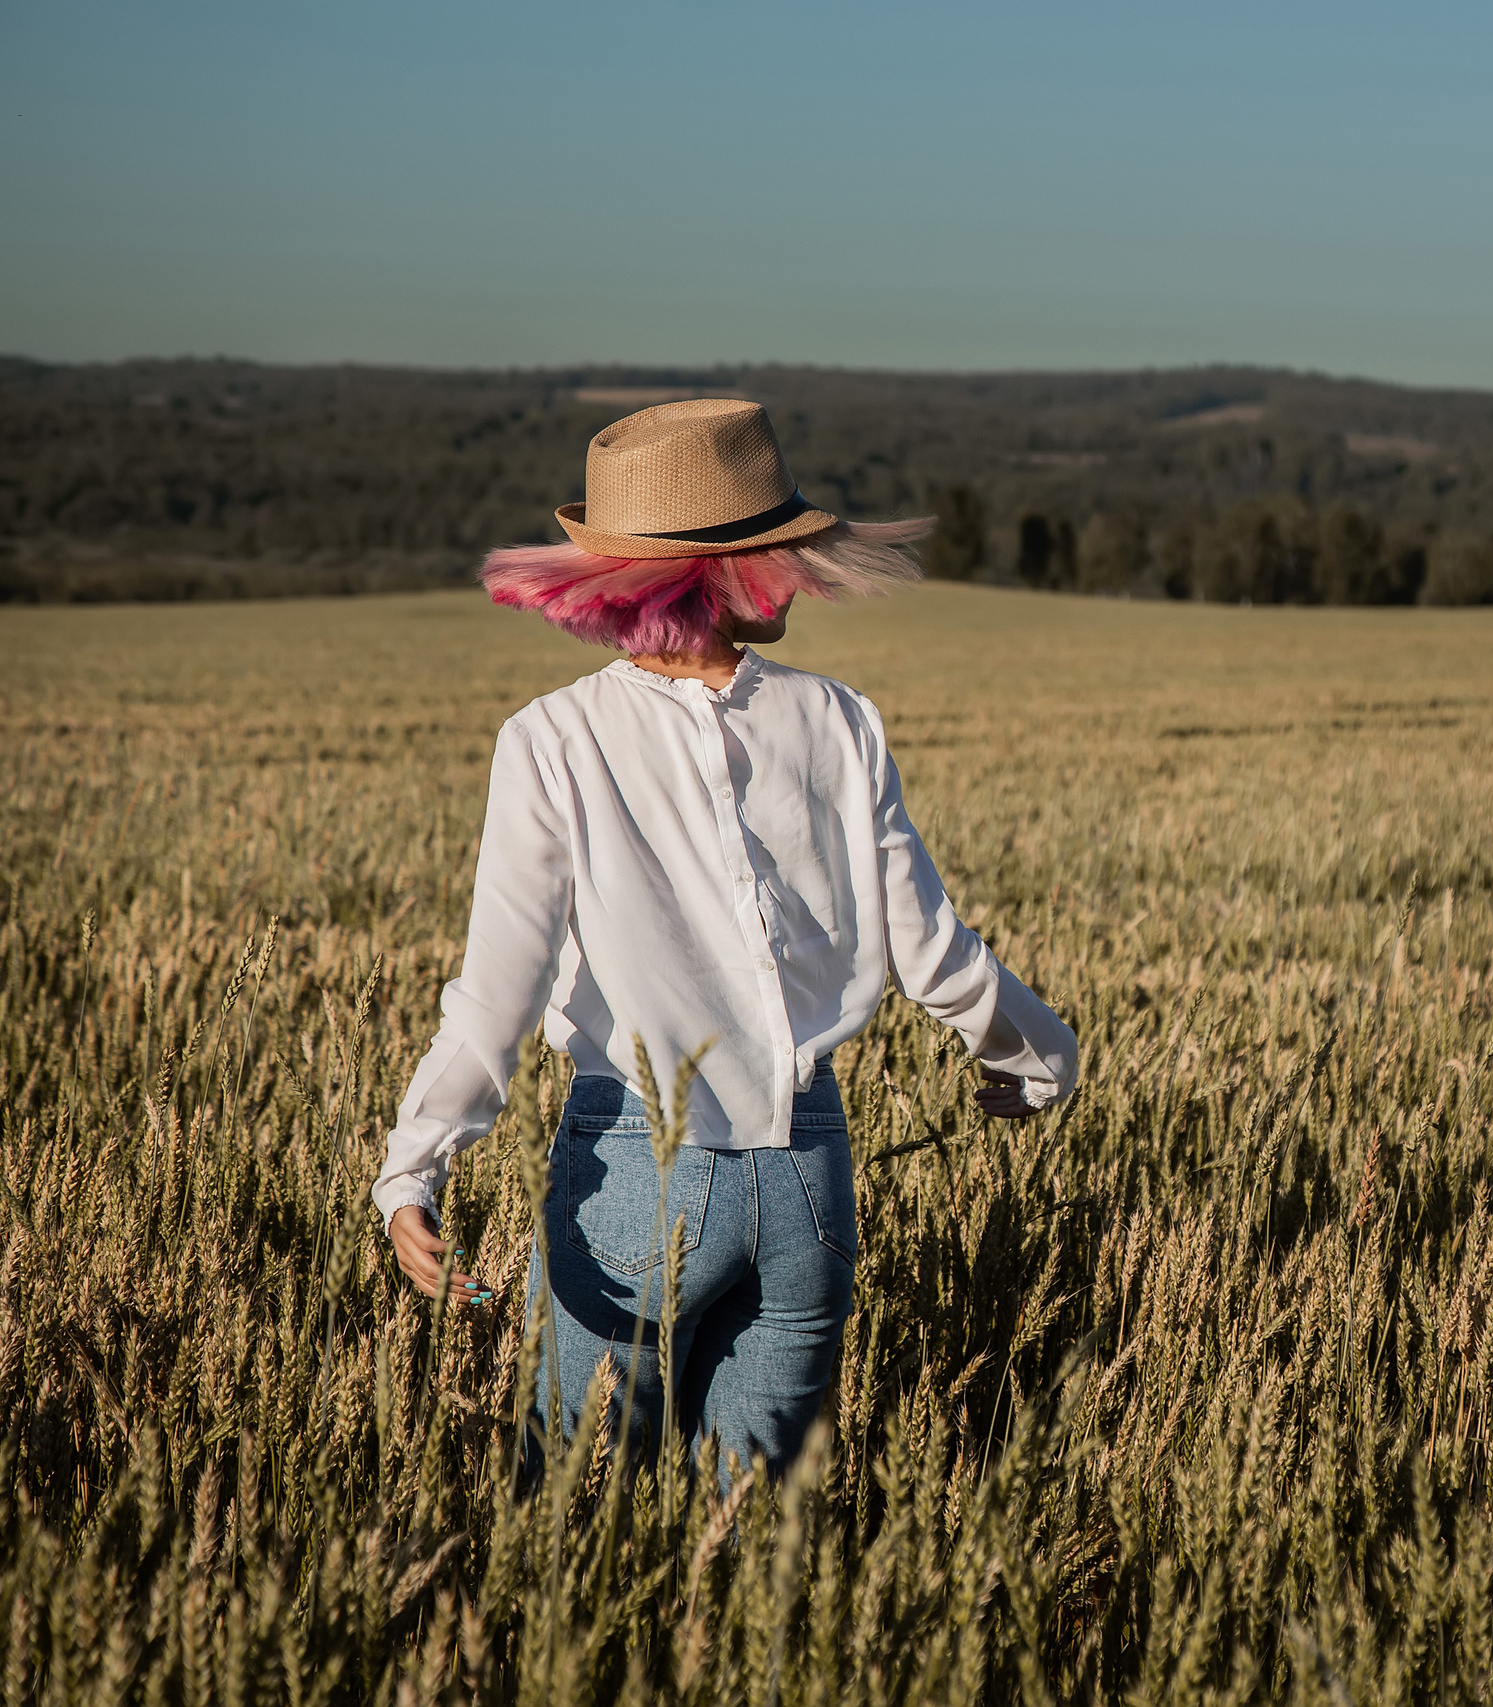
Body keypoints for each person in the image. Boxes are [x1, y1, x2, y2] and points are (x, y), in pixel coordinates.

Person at [370, 398, 1077, 1481]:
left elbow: (497, 998)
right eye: (781, 553)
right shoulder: (838, 719)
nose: (797, 574)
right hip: (809, 1179)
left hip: (634, 1176)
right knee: (749, 1553)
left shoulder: (552, 740)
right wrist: (1035, 1060)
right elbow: (931, 951)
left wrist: (413, 1167)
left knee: (572, 1534)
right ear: (733, 573)